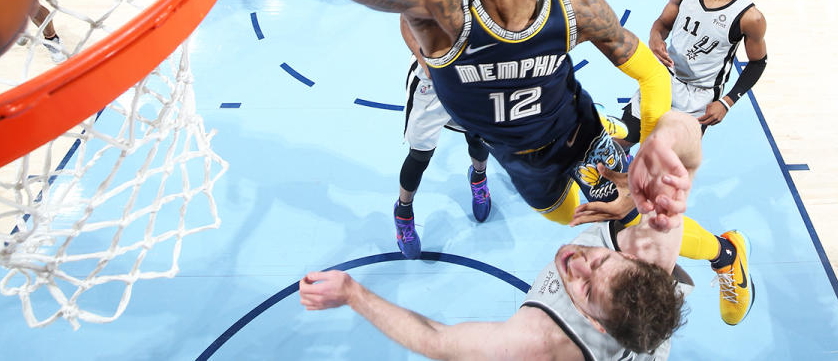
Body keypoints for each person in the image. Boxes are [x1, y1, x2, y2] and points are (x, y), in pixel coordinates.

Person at [65, 0, 751, 327]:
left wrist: (656, 131)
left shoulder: (575, 8)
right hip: (531, 173)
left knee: (642, 228)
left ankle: (724, 254)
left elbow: (645, 66)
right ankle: (701, 247)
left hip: (585, 138)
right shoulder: (441, 3)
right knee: (594, 224)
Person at [300, 111, 703, 360]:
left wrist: (354, 294)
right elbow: (688, 132)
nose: (577, 262)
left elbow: (437, 341)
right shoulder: (654, 246)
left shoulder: (537, 344)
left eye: (583, 287)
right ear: (633, 259)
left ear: (596, 325)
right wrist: (664, 141)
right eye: (600, 260)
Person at [614, 0, 766, 325]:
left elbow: (758, 63)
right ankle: (697, 251)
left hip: (697, 103)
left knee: (656, 191)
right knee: (615, 147)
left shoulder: (749, 17)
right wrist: (654, 37)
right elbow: (661, 24)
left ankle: (721, 255)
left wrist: (727, 101)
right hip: (660, 83)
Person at [395, 0, 488, 259]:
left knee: (479, 140)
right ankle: (403, 211)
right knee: (420, 154)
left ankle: (478, 179)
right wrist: (427, 61)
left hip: (476, 79)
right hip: (434, 83)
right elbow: (405, 21)